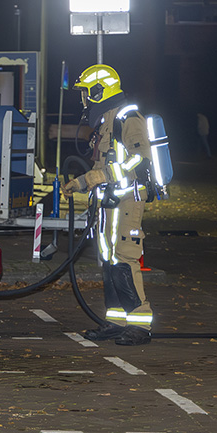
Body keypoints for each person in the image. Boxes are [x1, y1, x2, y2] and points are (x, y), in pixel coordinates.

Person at [63, 65, 153, 346]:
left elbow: (140, 160)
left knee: (124, 258)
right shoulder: (106, 122)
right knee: (109, 260)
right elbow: (101, 167)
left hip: (128, 201)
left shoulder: (128, 118)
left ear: (100, 90)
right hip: (109, 203)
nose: (84, 99)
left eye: (86, 93)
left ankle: (140, 324)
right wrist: (81, 183)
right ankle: (116, 322)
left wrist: (100, 177)